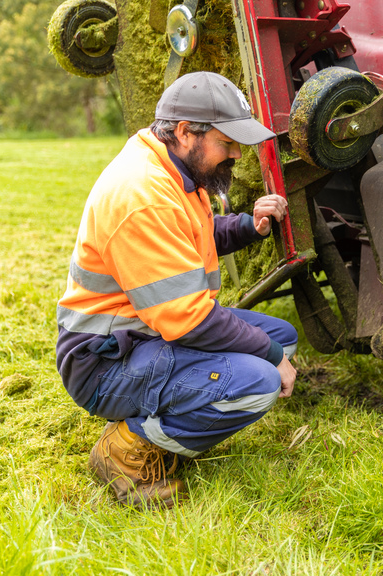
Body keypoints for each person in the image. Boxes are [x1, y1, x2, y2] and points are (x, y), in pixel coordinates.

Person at [56, 71, 298, 509]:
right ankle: (127, 450)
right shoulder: (142, 194)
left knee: (281, 338)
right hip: (104, 362)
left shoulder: (172, 169)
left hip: (144, 333)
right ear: (187, 132)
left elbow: (190, 236)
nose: (236, 155)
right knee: (259, 380)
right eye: (227, 143)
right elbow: (189, 318)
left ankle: (167, 411)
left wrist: (248, 226)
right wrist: (271, 358)